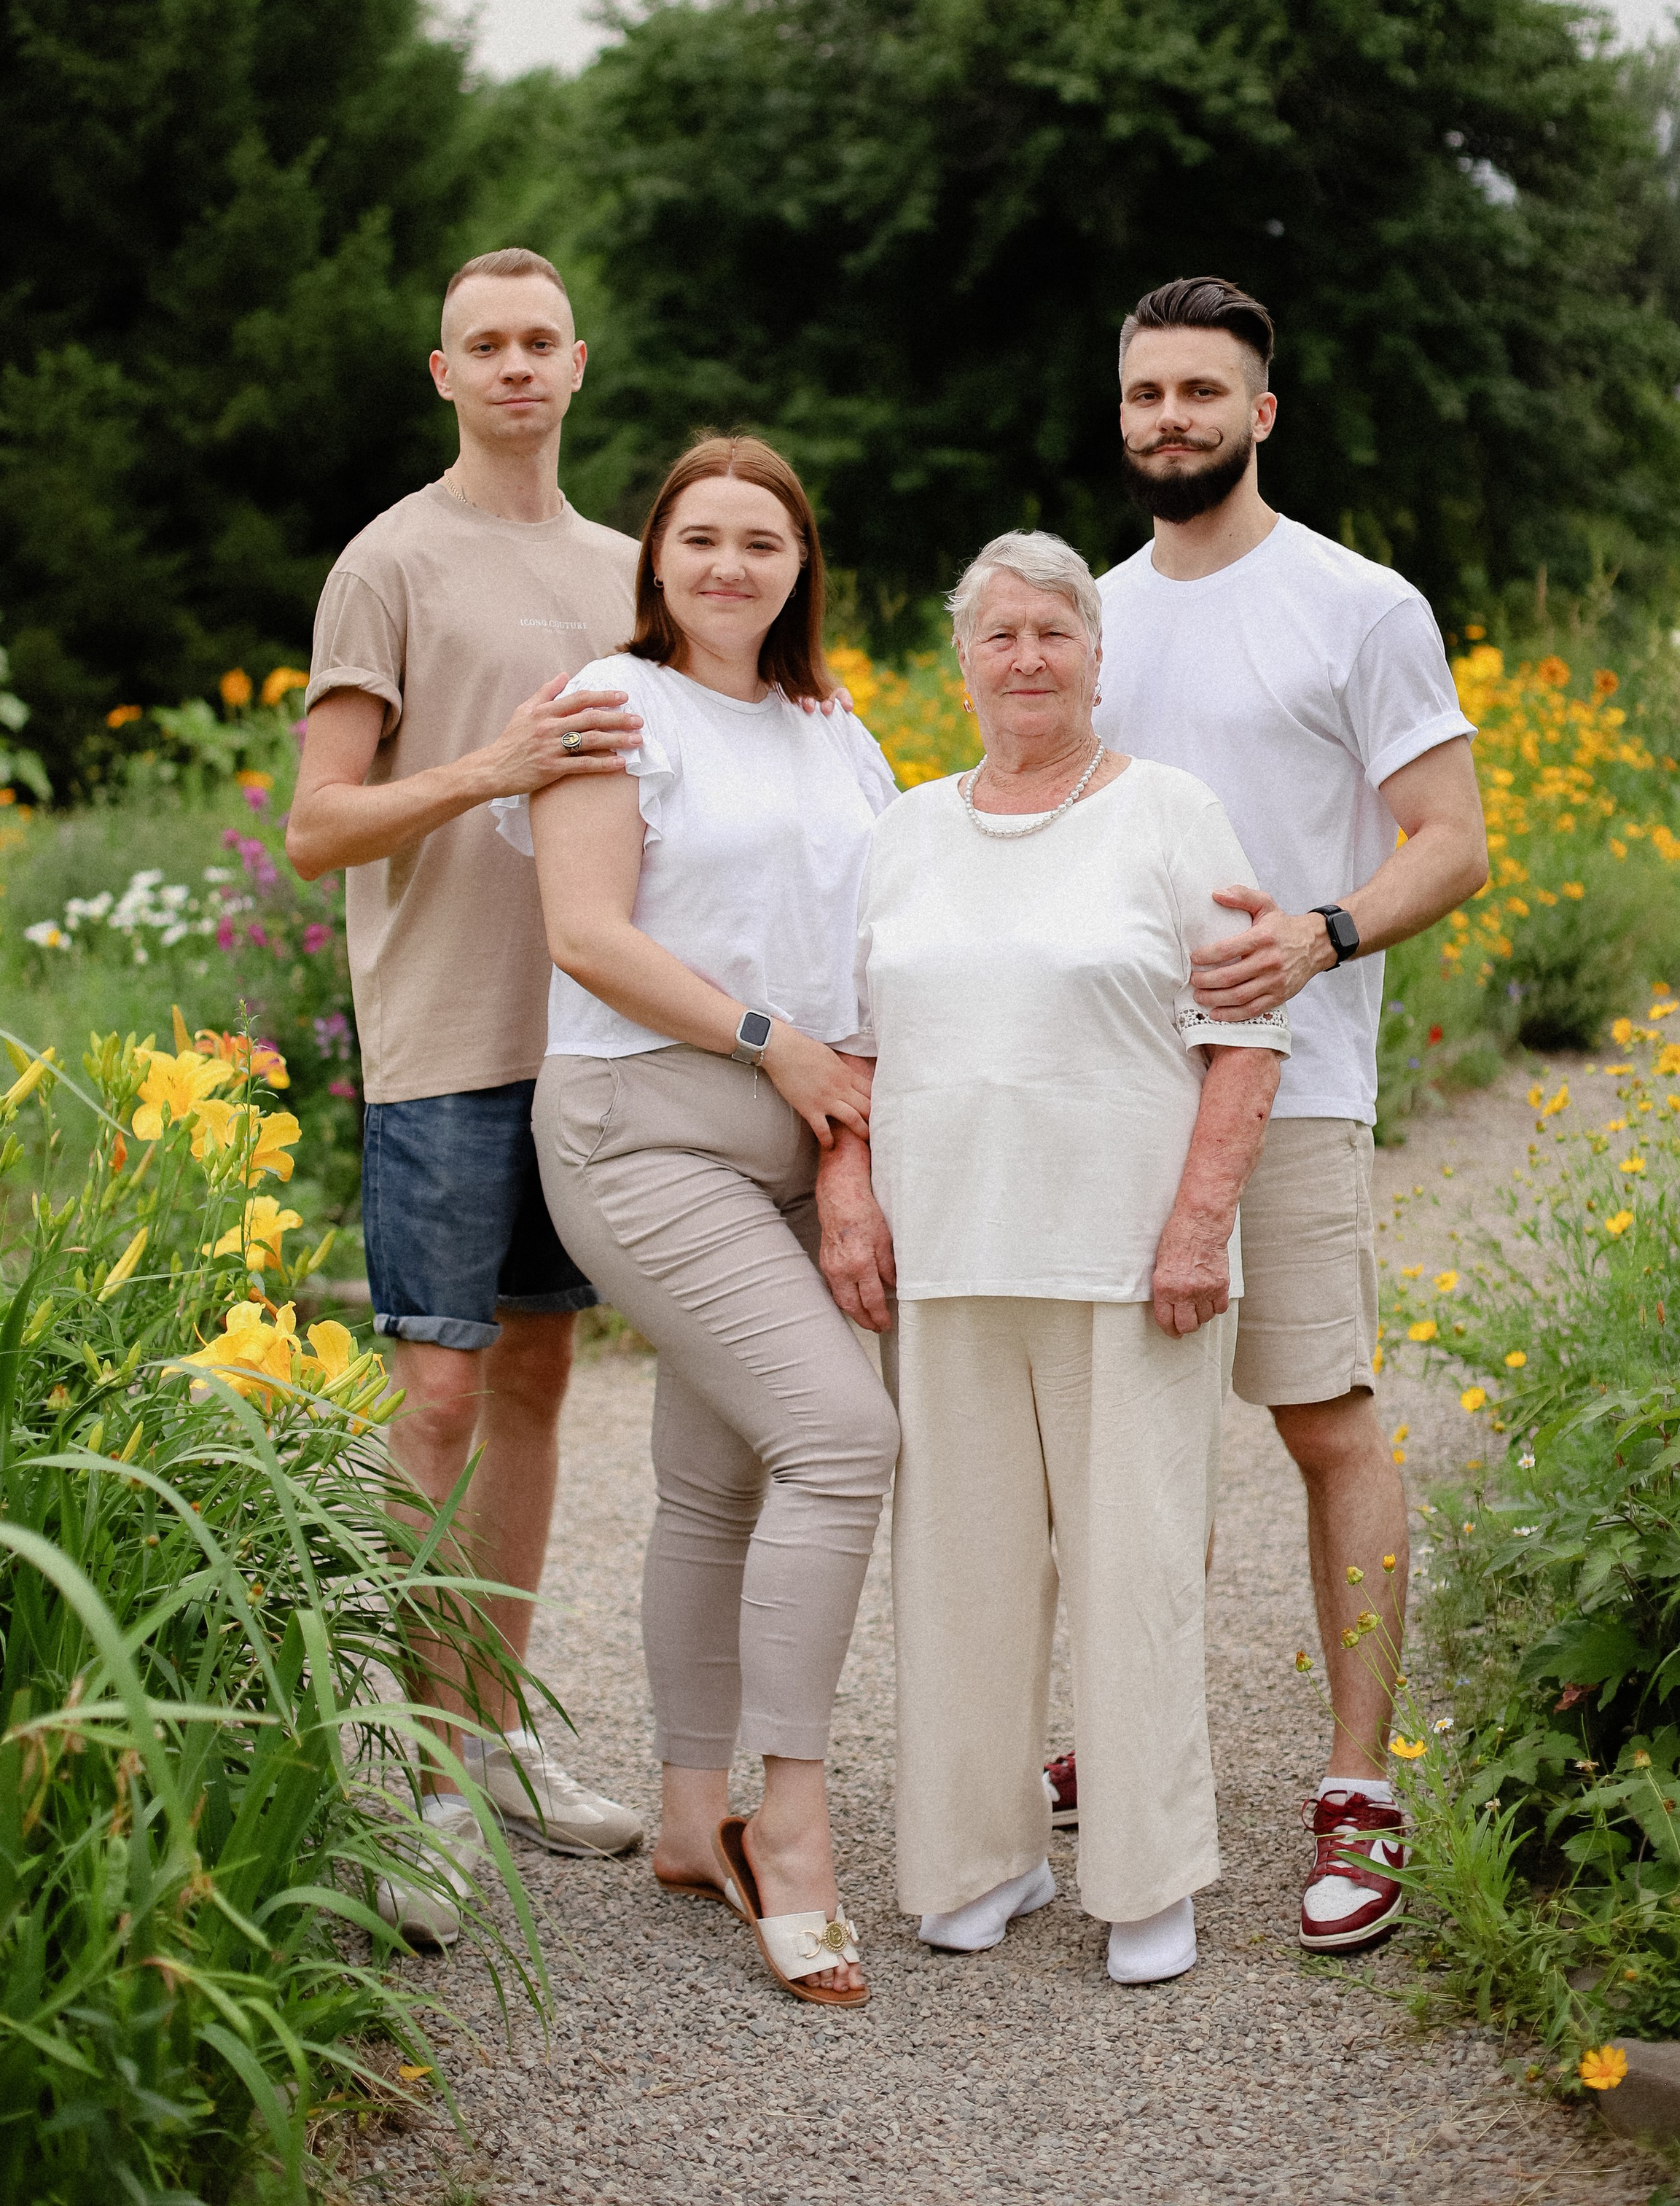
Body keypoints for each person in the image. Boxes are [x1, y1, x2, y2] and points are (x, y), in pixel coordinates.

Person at [1049, 274, 1489, 1954]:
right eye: (1143, 391)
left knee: (1321, 1423)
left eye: (1199, 392)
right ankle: (1140, 1738)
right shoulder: (1087, 610)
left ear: (1260, 414)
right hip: (1108, 1084)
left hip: (1293, 1082)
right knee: (1122, 1431)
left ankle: (1356, 1789)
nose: (1168, 417)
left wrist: (1318, 933)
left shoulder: (1356, 605)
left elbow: (1445, 837)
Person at [817, 531, 1287, 1985]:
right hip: (945, 1251)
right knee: (955, 1576)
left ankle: (1148, 1880)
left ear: (1095, 655)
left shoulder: (1171, 814)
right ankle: (980, 1858)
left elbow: (1245, 1036)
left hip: (1128, 1258)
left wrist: (1200, 1221)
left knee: (1131, 1564)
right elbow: (853, 1044)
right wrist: (849, 1196)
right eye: (998, 634)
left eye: (1053, 633)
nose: (1025, 657)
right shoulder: (903, 827)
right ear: (961, 661)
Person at [498, 434, 901, 2011]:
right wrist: (769, 1045)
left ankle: (683, 1814)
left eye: (762, 540)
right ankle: (784, 1827)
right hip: (641, 1129)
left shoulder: (832, 724)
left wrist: (842, 1133)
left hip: (799, 1142)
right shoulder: (616, 708)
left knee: (711, 1478)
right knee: (841, 1439)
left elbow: (870, 953)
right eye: (700, 538)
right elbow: (586, 934)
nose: (730, 564)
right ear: (653, 560)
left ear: (800, 565)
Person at [288, 244, 648, 1941]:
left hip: (593, 1044)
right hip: (443, 1046)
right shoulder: (387, 563)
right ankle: (425, 1786)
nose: (513, 367)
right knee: (429, 1403)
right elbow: (318, 824)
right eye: (479, 346)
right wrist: (494, 767)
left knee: (536, 1381)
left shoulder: (633, 567)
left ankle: (498, 1742)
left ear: (577, 366)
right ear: (443, 375)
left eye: (536, 343)